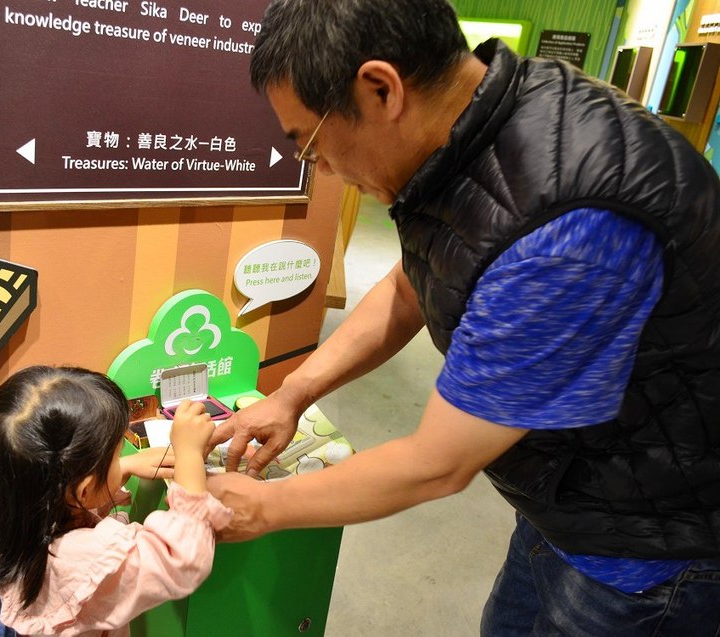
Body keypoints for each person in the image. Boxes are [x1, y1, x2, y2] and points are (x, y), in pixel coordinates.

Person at [206, 0, 720, 634]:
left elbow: (438, 462)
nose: (323, 169)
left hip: (647, 543)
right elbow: (410, 286)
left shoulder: (568, 224)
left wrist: (262, 509)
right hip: (562, 489)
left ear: (380, 88)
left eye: (310, 144)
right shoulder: (473, 133)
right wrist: (293, 392)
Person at [0, 365, 230, 637]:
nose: (121, 461)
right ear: (83, 492)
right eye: (115, 456)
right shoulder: (79, 560)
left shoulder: (7, 513)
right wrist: (190, 454)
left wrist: (123, 468)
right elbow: (183, 559)